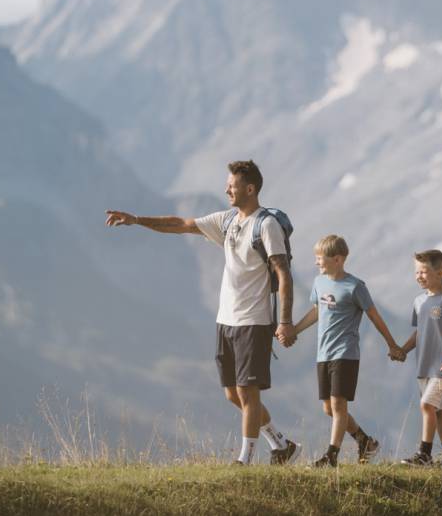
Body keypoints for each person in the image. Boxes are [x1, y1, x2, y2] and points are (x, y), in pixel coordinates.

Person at [105, 160, 299, 465]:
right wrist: (137, 220)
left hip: (254, 320)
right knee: (233, 394)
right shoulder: (227, 220)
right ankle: (281, 444)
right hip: (226, 320)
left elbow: (283, 274)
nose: (227, 190)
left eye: (232, 186)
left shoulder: (266, 226)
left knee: (248, 393)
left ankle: (244, 460)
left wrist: (285, 321)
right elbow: (181, 224)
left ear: (250, 189)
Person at [288, 234, 405, 467]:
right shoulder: (319, 282)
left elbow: (374, 316)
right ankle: (365, 442)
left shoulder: (355, 287)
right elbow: (317, 310)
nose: (316, 262)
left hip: (345, 352)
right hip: (323, 353)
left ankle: (331, 456)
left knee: (338, 404)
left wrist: (392, 344)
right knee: (328, 408)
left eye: (320, 257)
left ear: (338, 259)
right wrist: (295, 330)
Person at [397, 249, 442, 467]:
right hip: (423, 367)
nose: (419, 276)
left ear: (440, 272)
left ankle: (424, 454)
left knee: (426, 406)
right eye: (417, 272)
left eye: (423, 272)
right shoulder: (418, 301)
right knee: (439, 412)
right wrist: (403, 350)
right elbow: (420, 332)